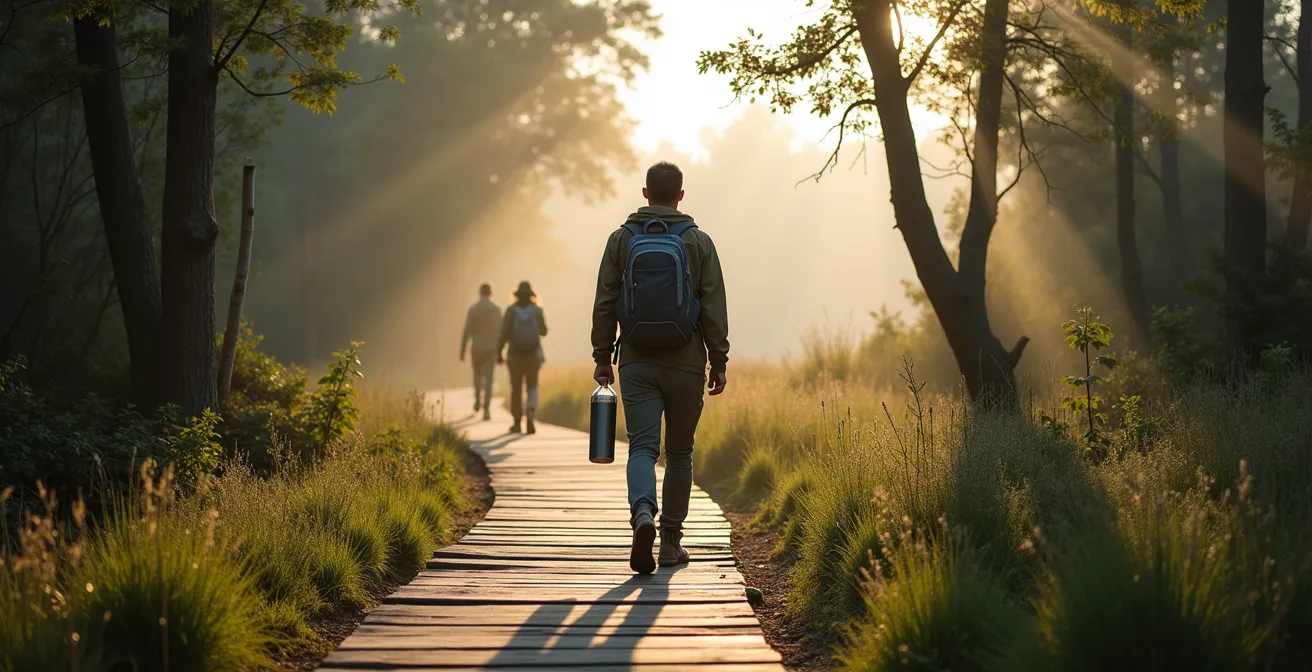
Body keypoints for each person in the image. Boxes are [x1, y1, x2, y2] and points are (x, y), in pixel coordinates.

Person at [590, 161, 730, 574]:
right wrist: (718, 360)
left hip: (636, 360)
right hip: (687, 361)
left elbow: (604, 302)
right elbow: (713, 307)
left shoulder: (621, 239)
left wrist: (602, 356)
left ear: (645, 192)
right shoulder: (698, 241)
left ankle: (642, 516)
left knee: (643, 447)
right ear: (681, 196)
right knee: (680, 453)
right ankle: (670, 543)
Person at [498, 281, 548, 434]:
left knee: (516, 388)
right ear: (532, 295)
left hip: (515, 355)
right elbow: (544, 331)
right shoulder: (537, 310)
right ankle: (531, 411)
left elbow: (504, 333)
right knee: (532, 385)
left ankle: (517, 422)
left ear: (517, 295)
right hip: (532, 355)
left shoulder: (511, 311)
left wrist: (498, 352)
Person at [459, 283, 502, 421]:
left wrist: (462, 349)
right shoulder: (496, 310)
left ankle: (478, 399)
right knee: (489, 378)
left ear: (480, 293)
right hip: (491, 348)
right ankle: (487, 408)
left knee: (477, 375)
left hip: (477, 347)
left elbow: (467, 330)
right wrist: (501, 350)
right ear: (491, 293)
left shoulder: (473, 309)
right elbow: (501, 331)